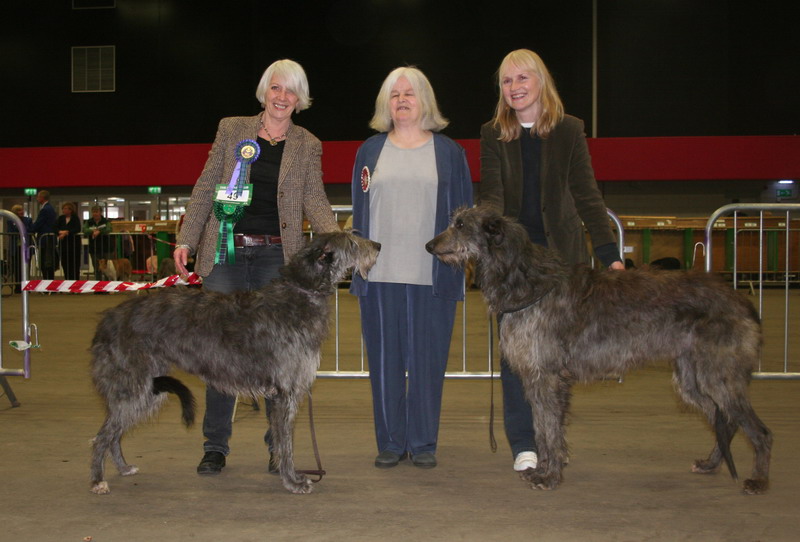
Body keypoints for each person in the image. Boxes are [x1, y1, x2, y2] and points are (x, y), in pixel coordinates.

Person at [173, 59, 339, 476]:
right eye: (276, 88)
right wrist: (187, 238)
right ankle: (215, 446)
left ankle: (277, 449)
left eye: (291, 91)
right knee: (219, 355)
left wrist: (335, 239)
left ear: (300, 100)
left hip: (275, 259)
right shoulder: (231, 129)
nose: (282, 97)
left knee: (277, 361)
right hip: (225, 254)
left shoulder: (307, 144)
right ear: (265, 90)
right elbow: (205, 187)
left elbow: (315, 201)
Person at [478, 49, 624, 473]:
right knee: (515, 358)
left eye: (523, 78)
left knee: (554, 361)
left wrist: (610, 257)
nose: (515, 87)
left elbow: (587, 196)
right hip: (514, 267)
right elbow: (491, 198)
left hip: (562, 264)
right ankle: (524, 443)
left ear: (541, 82)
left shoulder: (569, 130)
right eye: (507, 81)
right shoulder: (493, 133)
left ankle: (551, 443)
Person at [350, 67, 473, 469]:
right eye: (394, 94)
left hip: (431, 276)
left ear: (426, 101)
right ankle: (390, 441)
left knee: (427, 363)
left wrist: (460, 267)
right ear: (386, 103)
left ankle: (422, 443)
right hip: (380, 275)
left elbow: (463, 218)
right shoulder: (369, 151)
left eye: (410, 93)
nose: (402, 100)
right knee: (384, 363)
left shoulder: (449, 152)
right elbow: (360, 210)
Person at [29, 190, 58, 280]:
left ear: (42, 198)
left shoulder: (45, 209)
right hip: (48, 238)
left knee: (46, 262)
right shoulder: (49, 208)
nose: (37, 198)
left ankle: (47, 283)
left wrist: (30, 230)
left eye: (38, 197)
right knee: (48, 261)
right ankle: (49, 283)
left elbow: (39, 223)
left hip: (46, 240)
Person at [7, 204, 33, 293]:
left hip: (25, 247)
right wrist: (21, 230)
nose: (21, 212)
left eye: (22, 210)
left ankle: (26, 286)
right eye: (19, 210)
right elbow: (11, 231)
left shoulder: (28, 220)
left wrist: (20, 229)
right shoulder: (10, 221)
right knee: (17, 267)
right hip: (16, 247)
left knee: (26, 267)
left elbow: (29, 229)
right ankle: (18, 287)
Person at [83, 205, 113, 280]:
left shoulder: (106, 221)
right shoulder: (88, 222)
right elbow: (84, 230)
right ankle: (98, 287)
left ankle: (107, 287)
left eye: (97, 212)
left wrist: (99, 231)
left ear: (100, 212)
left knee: (107, 269)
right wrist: (92, 231)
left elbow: (109, 229)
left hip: (106, 248)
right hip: (94, 248)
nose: (95, 214)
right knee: (96, 268)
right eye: (93, 212)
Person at [56, 202, 82, 280]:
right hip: (64, 245)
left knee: (74, 265)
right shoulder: (60, 218)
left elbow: (77, 228)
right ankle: (67, 282)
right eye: (63, 209)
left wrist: (66, 232)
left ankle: (76, 283)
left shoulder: (75, 218)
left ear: (70, 210)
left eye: (66, 209)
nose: (64, 210)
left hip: (74, 245)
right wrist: (60, 232)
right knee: (65, 264)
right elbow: (54, 227)